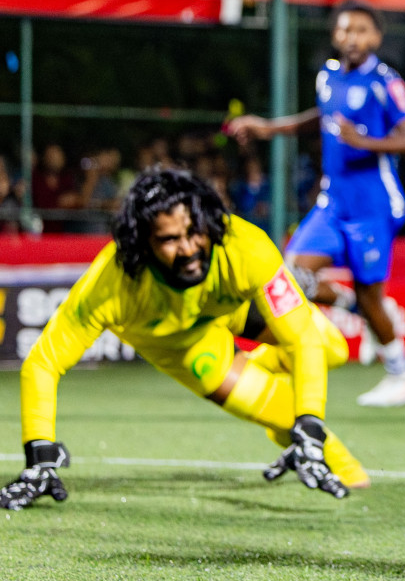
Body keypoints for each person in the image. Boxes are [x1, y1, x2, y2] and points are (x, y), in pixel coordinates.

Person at [0, 168, 366, 511]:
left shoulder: (245, 245)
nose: (189, 248)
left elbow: (303, 339)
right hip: (183, 345)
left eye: (194, 231)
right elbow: (43, 363)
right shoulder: (110, 284)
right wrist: (40, 458)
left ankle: (261, 366)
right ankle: (283, 413)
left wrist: (311, 426)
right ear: (143, 243)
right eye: (170, 239)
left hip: (230, 307)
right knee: (307, 435)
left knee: (332, 348)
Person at [229, 0, 405, 407]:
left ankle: (400, 376)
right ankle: (353, 304)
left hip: (373, 206)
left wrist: (364, 142)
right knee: (289, 275)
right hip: (332, 204)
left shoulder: (385, 81)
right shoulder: (328, 77)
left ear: (376, 37)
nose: (352, 38)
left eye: (362, 31)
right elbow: (320, 118)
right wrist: (267, 128)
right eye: (345, 30)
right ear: (335, 35)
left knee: (373, 298)